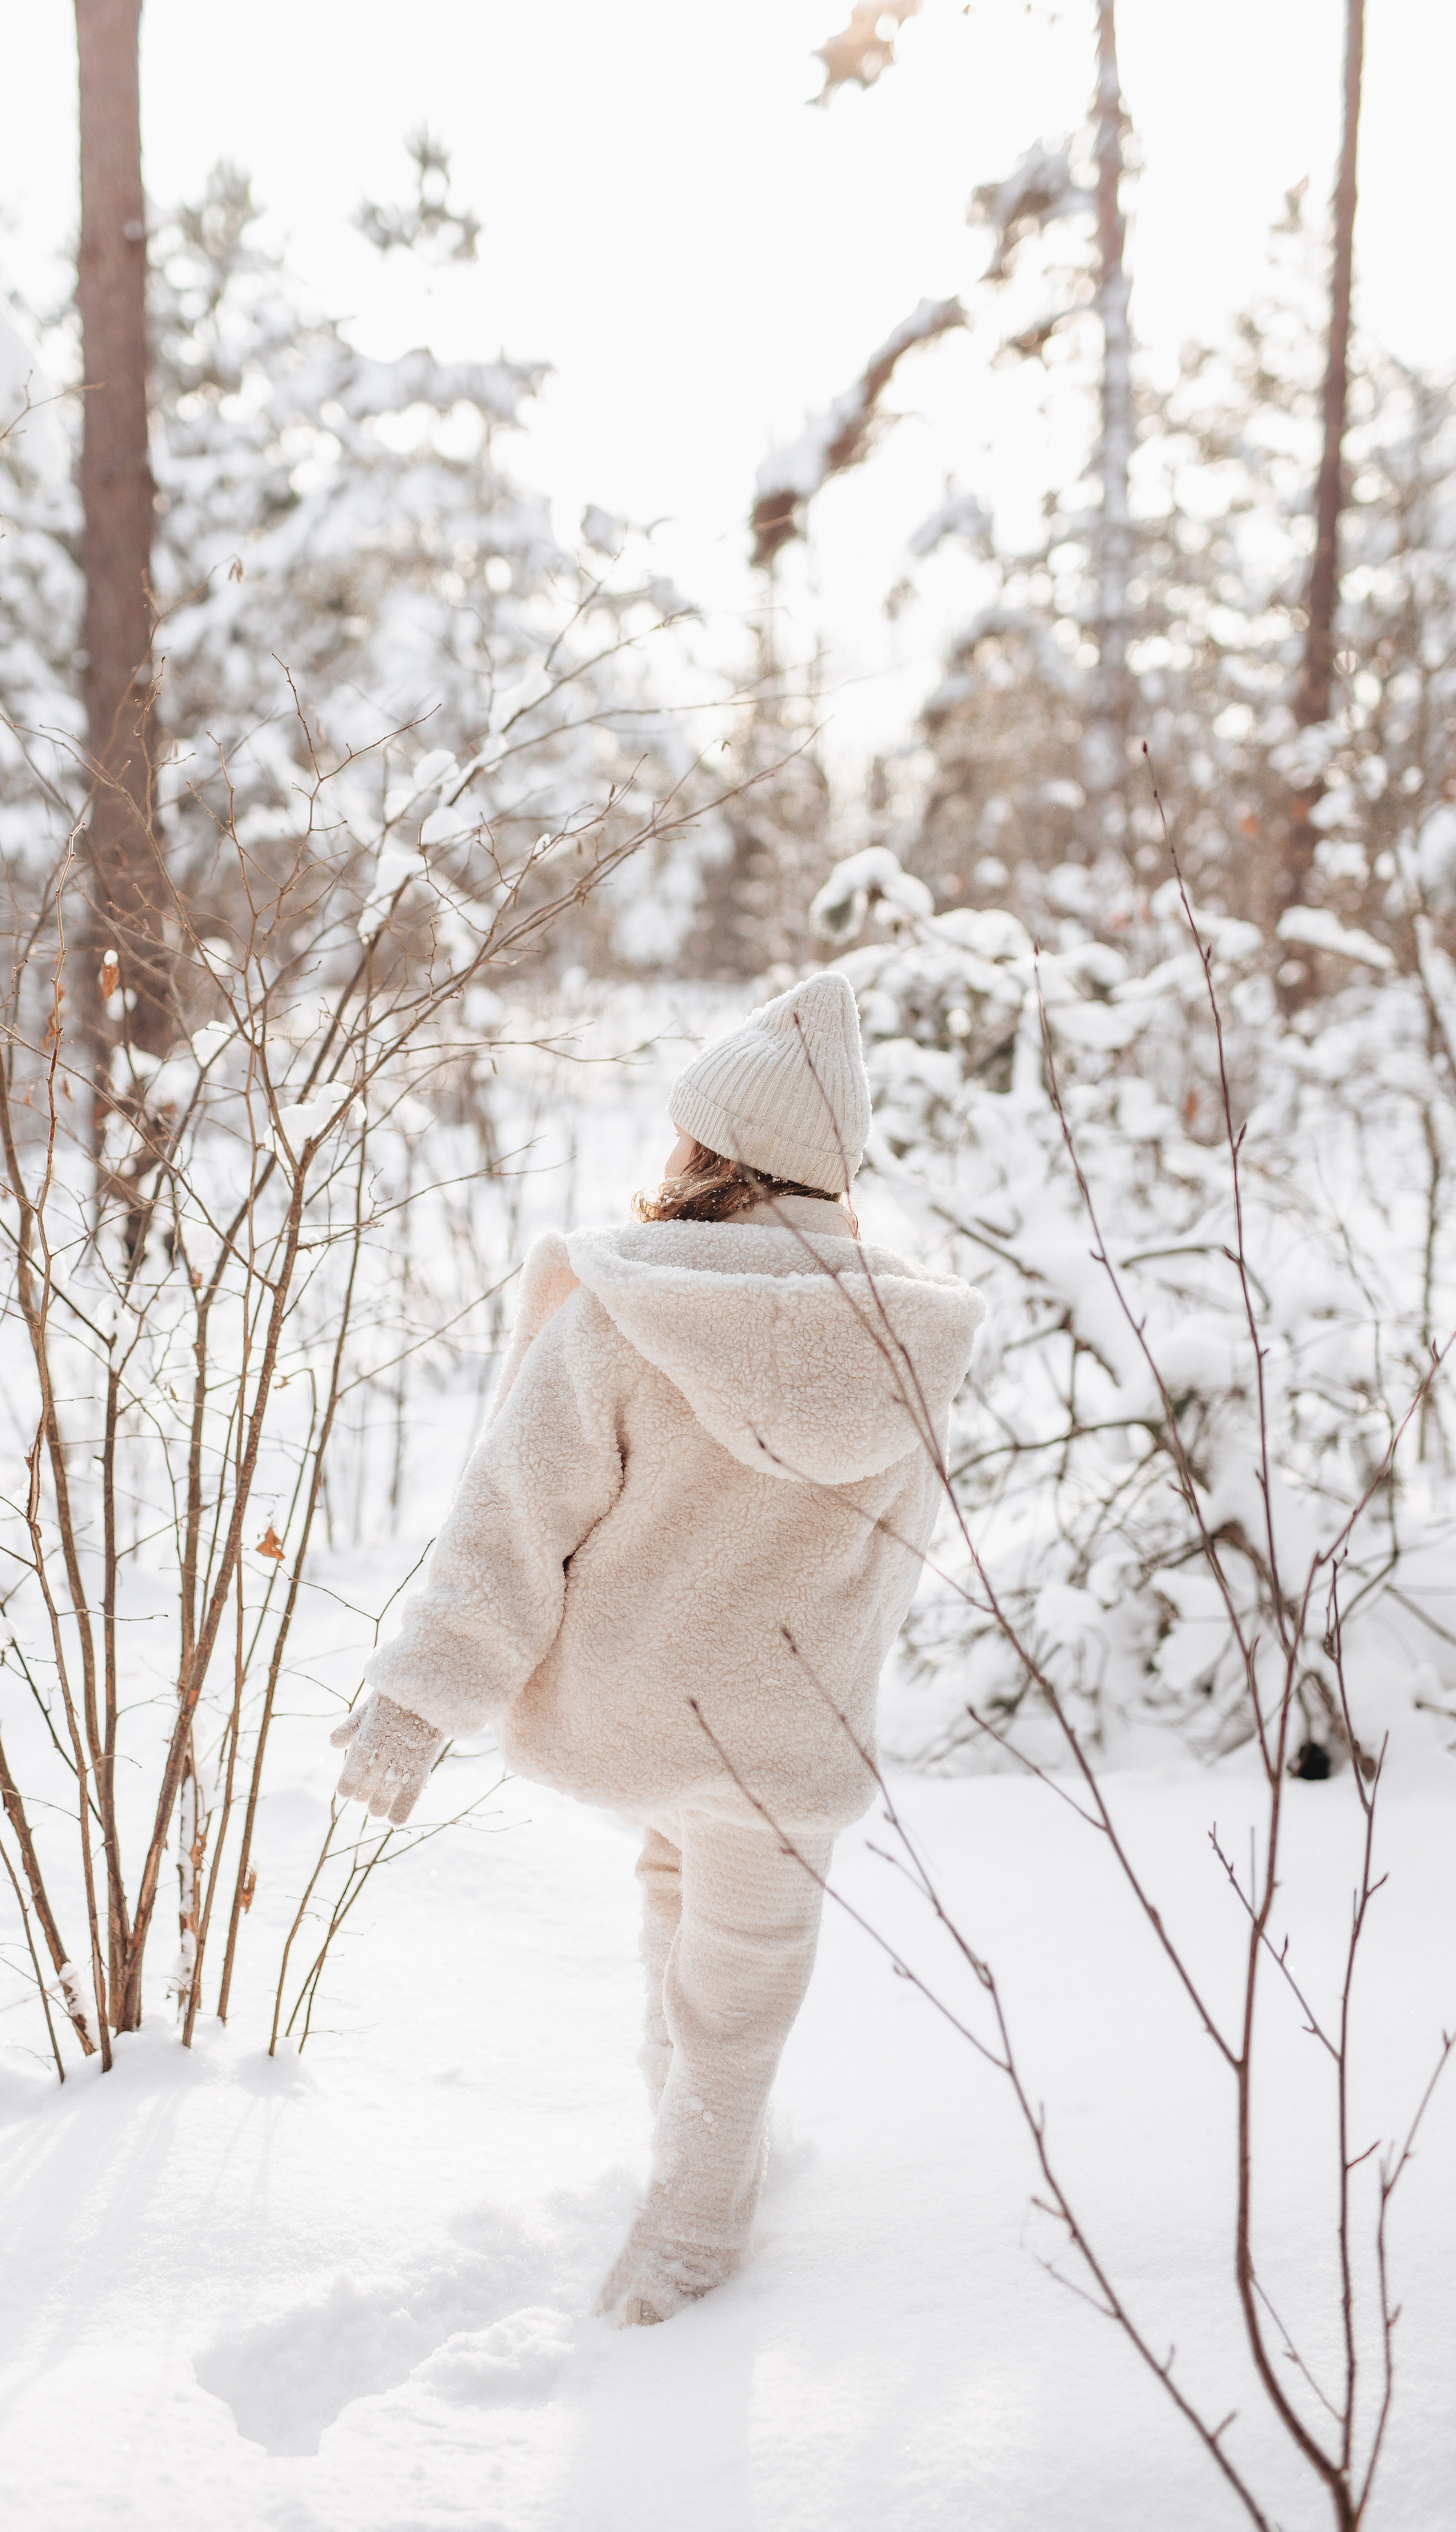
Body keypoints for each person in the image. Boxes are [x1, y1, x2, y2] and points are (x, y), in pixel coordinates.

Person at [330, 972, 984, 2325]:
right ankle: (695, 2219)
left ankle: (682, 2197)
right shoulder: (905, 1345)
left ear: (709, 1154)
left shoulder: (621, 1312)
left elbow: (506, 1529)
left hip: (637, 1721)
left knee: (670, 1906)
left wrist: (412, 1708)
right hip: (786, 1751)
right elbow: (886, 1567)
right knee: (736, 1996)